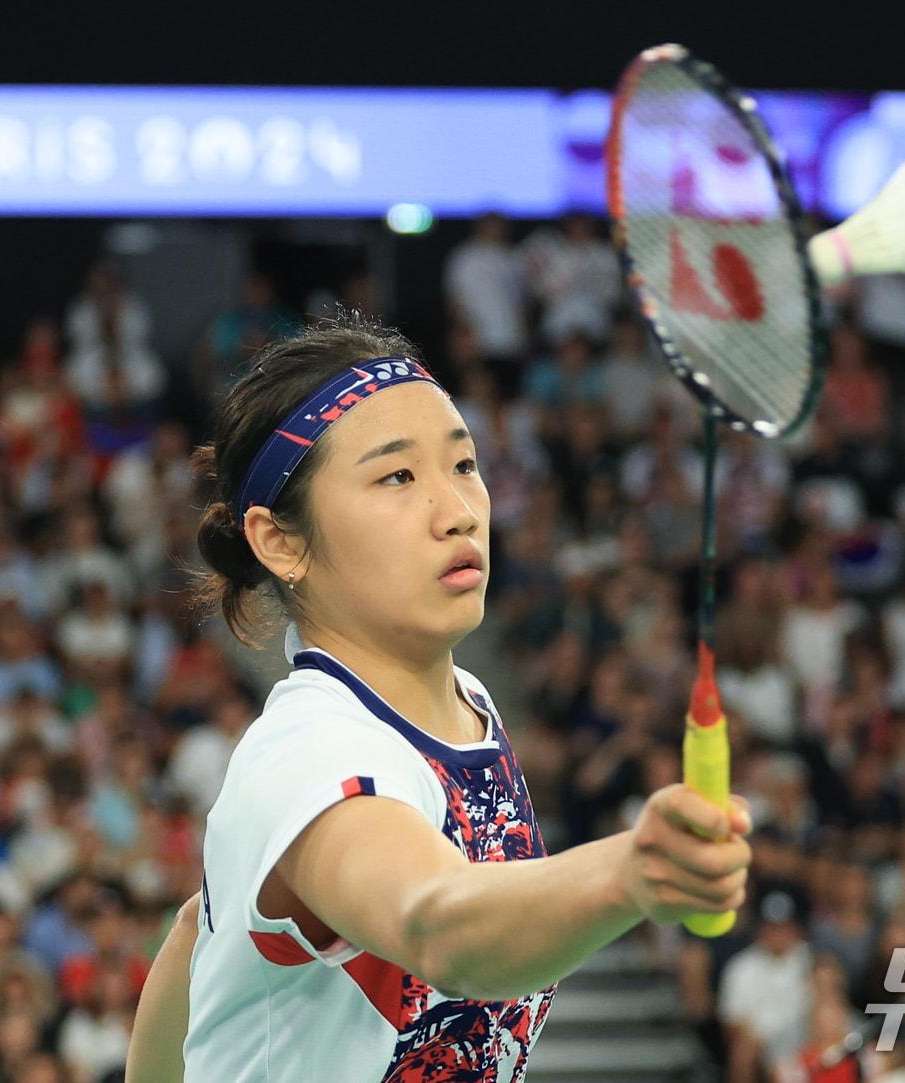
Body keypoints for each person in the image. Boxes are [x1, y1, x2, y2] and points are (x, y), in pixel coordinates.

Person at [126, 314, 752, 1082]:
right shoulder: (312, 755)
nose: (459, 510)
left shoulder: (466, 705)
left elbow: (202, 927)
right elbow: (440, 923)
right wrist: (631, 872)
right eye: (397, 475)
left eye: (464, 464)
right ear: (280, 541)